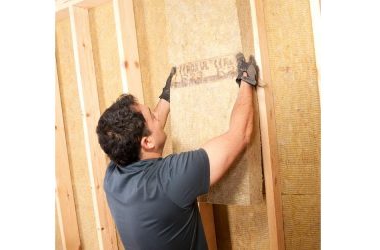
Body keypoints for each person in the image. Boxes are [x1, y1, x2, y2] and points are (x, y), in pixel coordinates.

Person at [96, 53, 258, 250]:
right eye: (152, 116)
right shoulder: (169, 180)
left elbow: (146, 133)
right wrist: (246, 81)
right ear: (146, 142)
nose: (157, 116)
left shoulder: (113, 175)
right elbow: (240, 136)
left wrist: (166, 98)